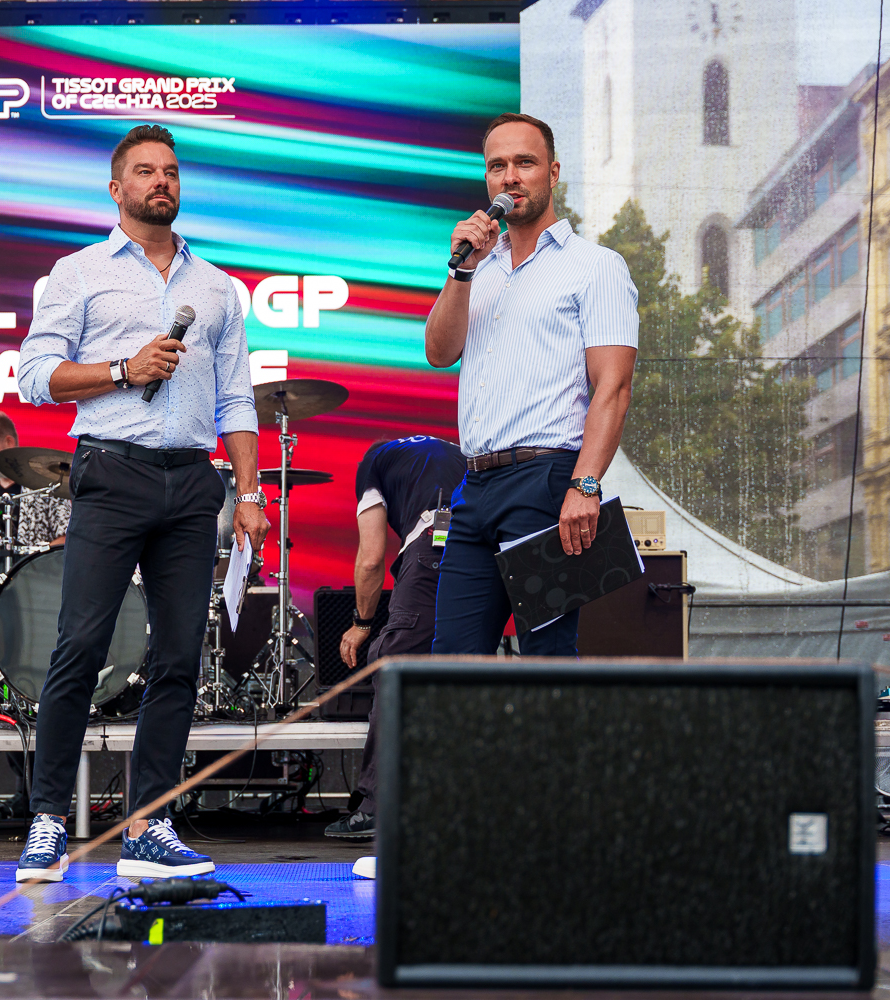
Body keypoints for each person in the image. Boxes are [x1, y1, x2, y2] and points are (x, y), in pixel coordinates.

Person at [14, 124, 270, 882]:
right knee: (80, 647)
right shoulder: (79, 272)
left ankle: (149, 825)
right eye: (146, 172)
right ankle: (48, 820)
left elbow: (236, 398)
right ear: (116, 188)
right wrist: (124, 370)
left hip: (193, 481)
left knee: (179, 655)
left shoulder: (215, 287)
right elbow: (35, 376)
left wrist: (249, 494)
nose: (162, 182)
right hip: (112, 470)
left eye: (171, 172)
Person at [423, 112, 637, 658]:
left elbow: (613, 388)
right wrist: (461, 271)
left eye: (525, 162)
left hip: (546, 481)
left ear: (553, 172)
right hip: (475, 485)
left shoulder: (596, 267)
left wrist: (584, 486)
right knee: (450, 664)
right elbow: (439, 352)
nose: (510, 177)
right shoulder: (479, 270)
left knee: (547, 662)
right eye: (497, 166)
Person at [324, 435, 466, 844]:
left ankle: (376, 808)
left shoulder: (373, 461)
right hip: (481, 553)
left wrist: (362, 623)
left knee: (393, 668)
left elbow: (371, 558)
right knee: (456, 677)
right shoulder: (458, 451)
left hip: (432, 549)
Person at [0, 409, 68, 821]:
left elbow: (69, 535)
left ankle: (45, 796)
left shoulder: (45, 483)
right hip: (0, 605)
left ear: (9, 443)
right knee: (2, 694)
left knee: (37, 692)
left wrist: (33, 556)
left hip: (42, 598)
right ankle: (22, 791)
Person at [0, 410, 69, 551]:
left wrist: (33, 559)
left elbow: (66, 538)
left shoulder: (48, 486)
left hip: (41, 564)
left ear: (9, 442)